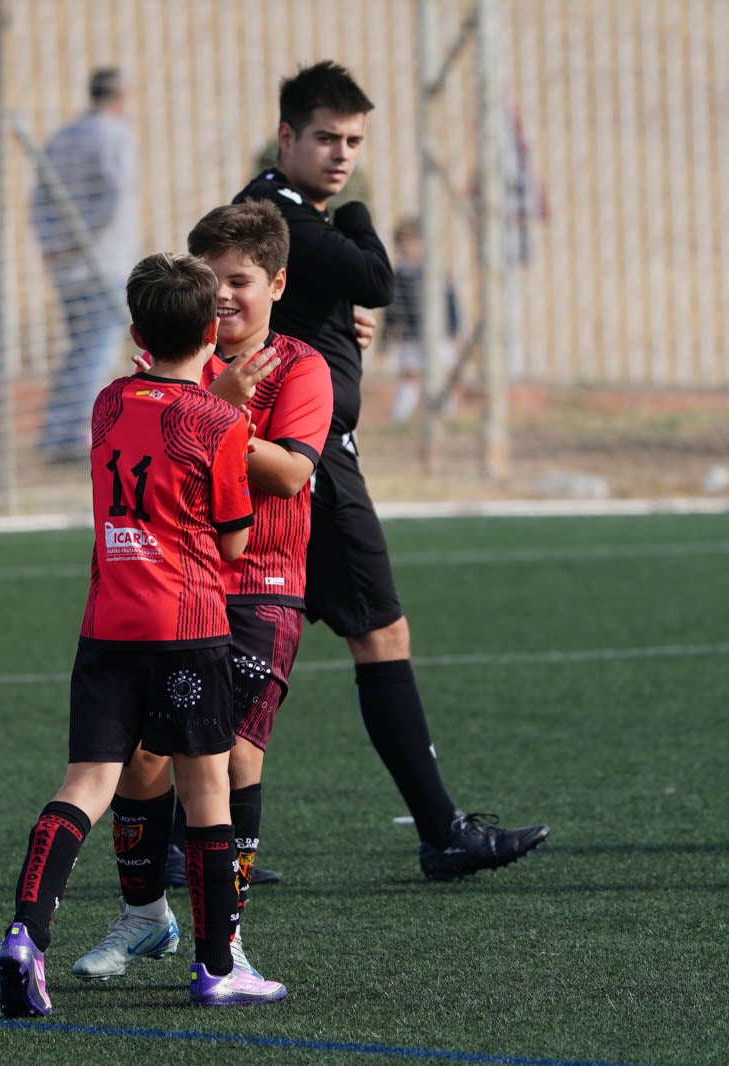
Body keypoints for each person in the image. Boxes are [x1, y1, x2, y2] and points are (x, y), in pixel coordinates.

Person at [234, 61, 549, 881]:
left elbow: (311, 300)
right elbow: (376, 278)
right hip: (311, 462)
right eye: (326, 138)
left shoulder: (287, 215)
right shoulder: (283, 215)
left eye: (353, 142)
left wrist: (332, 321)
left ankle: (190, 839)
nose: (341, 154)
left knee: (245, 642)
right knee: (376, 632)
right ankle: (441, 830)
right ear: (286, 137)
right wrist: (361, 222)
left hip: (299, 454)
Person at [0, 252, 287, 1016]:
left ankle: (25, 936)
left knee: (84, 786)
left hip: (107, 627)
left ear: (134, 333)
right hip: (187, 627)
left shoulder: (105, 404)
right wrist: (230, 417)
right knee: (206, 788)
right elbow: (233, 541)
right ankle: (216, 967)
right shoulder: (220, 421)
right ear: (211, 331)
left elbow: (152, 418)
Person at [68, 201, 331, 984]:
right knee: (140, 760)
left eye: (239, 280)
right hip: (173, 588)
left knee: (234, 755)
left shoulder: (298, 367)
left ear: (275, 285)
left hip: (258, 585)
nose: (222, 295)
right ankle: (145, 916)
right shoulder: (179, 362)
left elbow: (290, 472)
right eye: (210, 280)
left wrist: (214, 415)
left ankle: (228, 944)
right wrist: (194, 405)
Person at [30, 67, 139, 462]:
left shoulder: (63, 137)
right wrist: (81, 239)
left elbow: (39, 199)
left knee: (81, 350)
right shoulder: (115, 136)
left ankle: (57, 433)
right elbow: (114, 196)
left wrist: (54, 242)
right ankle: (76, 435)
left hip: (66, 266)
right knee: (97, 351)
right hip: (103, 262)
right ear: (121, 95)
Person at [383, 216, 460, 424]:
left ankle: (445, 416)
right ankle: (400, 417)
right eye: (404, 243)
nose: (409, 248)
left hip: (439, 334)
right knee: (410, 376)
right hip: (411, 336)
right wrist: (386, 337)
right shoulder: (398, 276)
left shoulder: (436, 272)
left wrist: (454, 331)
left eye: (413, 242)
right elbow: (392, 311)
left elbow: (450, 302)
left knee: (445, 374)